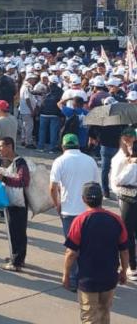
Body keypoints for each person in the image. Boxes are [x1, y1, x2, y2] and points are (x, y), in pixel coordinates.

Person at [63, 182, 129, 323]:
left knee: (89, 318)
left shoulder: (79, 221)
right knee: (104, 313)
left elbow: (71, 253)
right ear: (101, 198)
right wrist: (124, 270)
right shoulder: (116, 219)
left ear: (83, 199)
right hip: (109, 278)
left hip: (88, 280)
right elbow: (124, 250)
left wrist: (66, 275)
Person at [50, 133, 100, 292]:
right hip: (89, 210)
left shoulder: (59, 161)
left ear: (63, 146)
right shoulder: (90, 160)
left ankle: (73, 279)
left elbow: (52, 187)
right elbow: (97, 186)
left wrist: (57, 203)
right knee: (87, 245)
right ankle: (87, 276)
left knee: (73, 247)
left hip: (69, 211)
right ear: (78, 145)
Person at [0, 137, 30, 272]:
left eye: (1, 147)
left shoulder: (20, 163)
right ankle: (17, 257)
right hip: (11, 201)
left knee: (17, 232)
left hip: (18, 203)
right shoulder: (7, 162)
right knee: (13, 231)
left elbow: (22, 181)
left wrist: (4, 178)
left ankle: (16, 262)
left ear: (10, 147)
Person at [111, 137, 137, 281]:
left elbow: (117, 180)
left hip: (130, 200)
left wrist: (128, 164)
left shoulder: (132, 166)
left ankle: (132, 267)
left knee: (128, 233)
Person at [37, 76, 63, 154]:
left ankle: (41, 147)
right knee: (53, 132)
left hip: (43, 113)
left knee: (42, 131)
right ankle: (52, 148)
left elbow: (39, 97)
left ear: (50, 82)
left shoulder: (45, 89)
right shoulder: (61, 91)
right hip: (55, 114)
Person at [19, 74, 38, 149]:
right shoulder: (27, 87)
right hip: (27, 110)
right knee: (29, 126)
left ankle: (23, 140)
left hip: (24, 110)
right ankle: (28, 142)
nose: (34, 80)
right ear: (29, 79)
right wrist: (31, 110)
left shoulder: (25, 86)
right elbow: (27, 99)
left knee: (25, 126)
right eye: (33, 79)